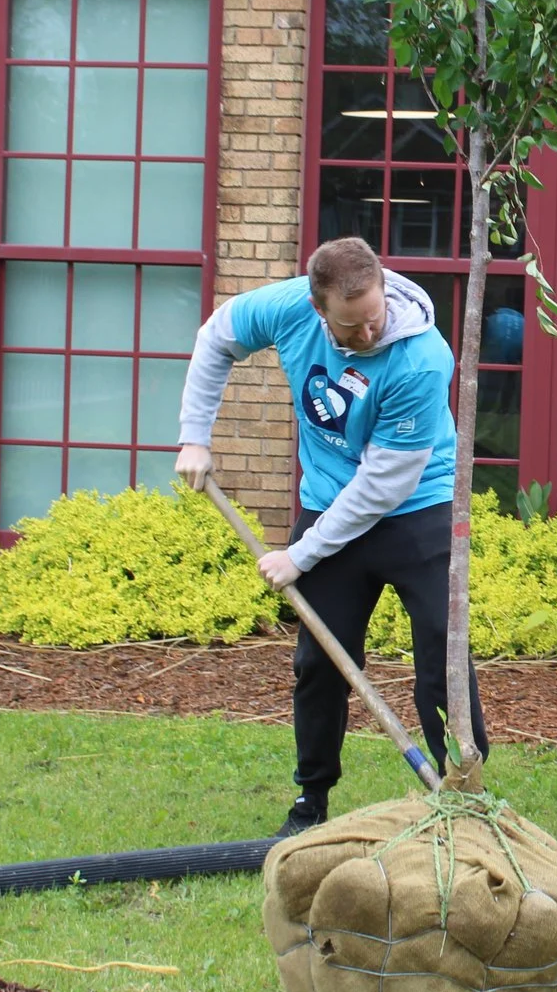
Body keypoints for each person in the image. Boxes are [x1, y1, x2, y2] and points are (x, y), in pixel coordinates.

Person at [175, 236, 488, 836]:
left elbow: (383, 485)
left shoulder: (422, 356)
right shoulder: (291, 308)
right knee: (318, 662)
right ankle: (310, 801)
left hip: (416, 508)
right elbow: (217, 337)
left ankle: (466, 797)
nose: (369, 334)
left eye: (374, 317)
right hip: (326, 503)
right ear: (320, 310)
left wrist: (301, 554)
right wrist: (195, 434)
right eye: (351, 327)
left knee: (441, 656)